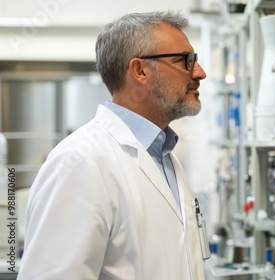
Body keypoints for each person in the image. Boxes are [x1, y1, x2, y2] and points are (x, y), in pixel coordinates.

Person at [18, 11, 208, 280]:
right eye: (185, 61)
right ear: (140, 71)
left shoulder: (165, 157)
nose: (200, 72)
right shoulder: (79, 162)